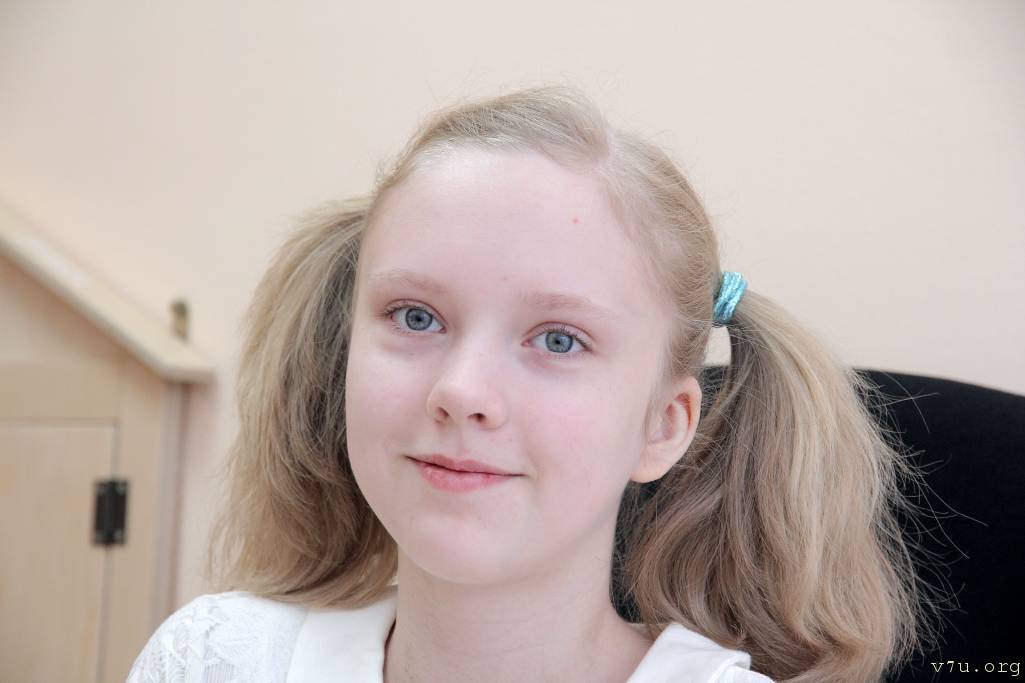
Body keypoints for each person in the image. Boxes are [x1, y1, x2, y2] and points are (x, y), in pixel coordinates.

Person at [127, 85, 944, 682]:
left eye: (558, 339)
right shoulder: (213, 659)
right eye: (415, 316)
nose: (461, 390)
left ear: (663, 423)